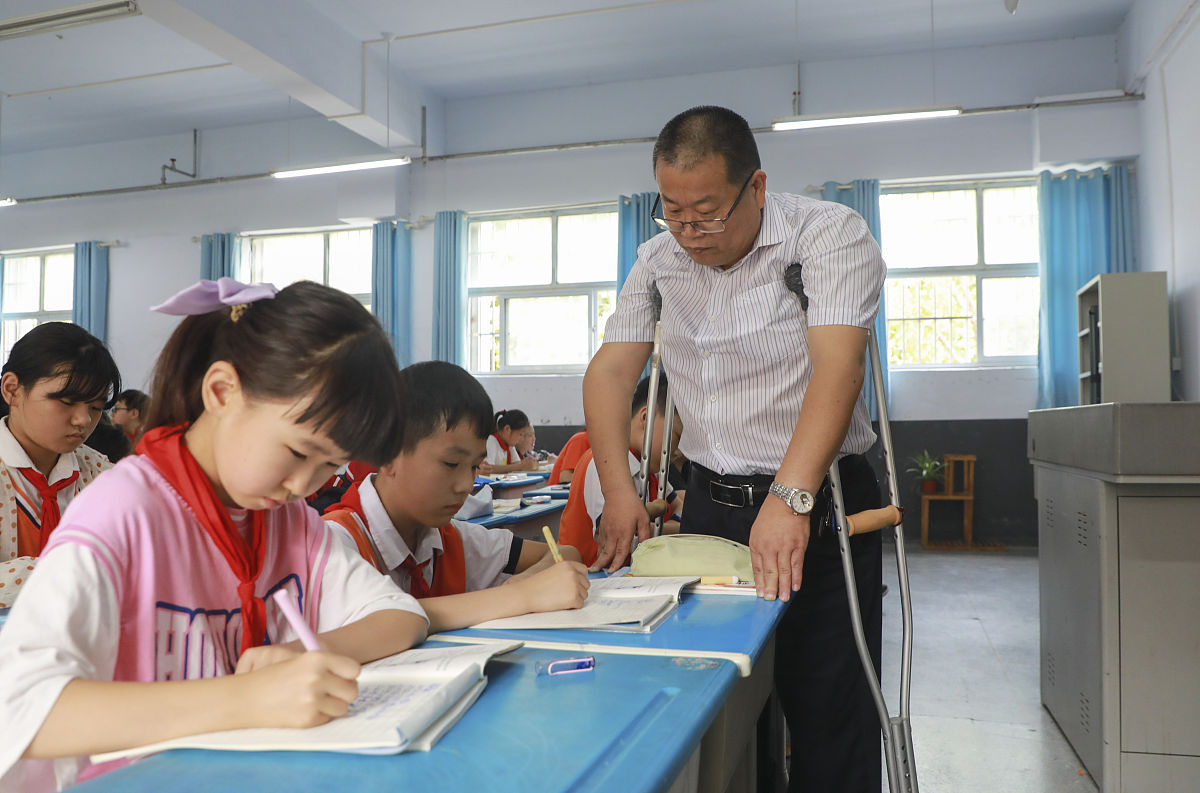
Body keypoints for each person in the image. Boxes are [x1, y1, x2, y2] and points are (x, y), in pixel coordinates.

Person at [0, 279, 429, 791]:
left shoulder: (284, 516)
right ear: (222, 392)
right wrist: (247, 697)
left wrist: (290, 661)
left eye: (329, 467)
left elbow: (402, 616)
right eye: (296, 452)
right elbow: (19, 712)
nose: (303, 485)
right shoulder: (125, 509)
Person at [582, 106, 886, 793]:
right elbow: (609, 371)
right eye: (674, 212)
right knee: (722, 705)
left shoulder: (827, 234)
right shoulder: (658, 260)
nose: (690, 232)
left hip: (818, 501)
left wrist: (791, 494)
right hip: (712, 509)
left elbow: (839, 365)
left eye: (709, 213)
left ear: (756, 188)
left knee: (826, 708)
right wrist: (621, 488)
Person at [324, 361, 589, 632]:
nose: (466, 485)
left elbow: (565, 553)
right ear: (389, 453)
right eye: (451, 464)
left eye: (475, 466)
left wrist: (526, 583)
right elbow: (380, 621)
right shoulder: (334, 544)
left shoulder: (450, 540)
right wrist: (521, 597)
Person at [0, 322, 121, 607]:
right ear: (12, 390)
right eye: (67, 402)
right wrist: (71, 573)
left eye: (95, 407)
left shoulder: (100, 476)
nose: (83, 420)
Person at [559, 375, 680, 567]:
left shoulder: (650, 465)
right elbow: (617, 538)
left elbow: (678, 504)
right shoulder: (602, 465)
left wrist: (656, 520)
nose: (679, 449)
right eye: (677, 435)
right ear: (646, 418)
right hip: (591, 579)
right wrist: (665, 520)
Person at [480, 409, 539, 475]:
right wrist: (520, 466)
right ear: (507, 429)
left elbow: (517, 463)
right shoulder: (491, 440)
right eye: (520, 434)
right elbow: (487, 469)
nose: (521, 439)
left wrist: (527, 464)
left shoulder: (509, 444)